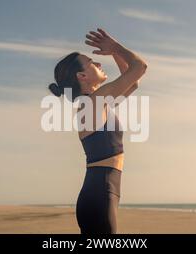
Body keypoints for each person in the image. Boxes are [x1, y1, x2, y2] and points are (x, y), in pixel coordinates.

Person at [48, 28, 147, 234]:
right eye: (92, 62)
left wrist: (115, 53)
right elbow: (140, 67)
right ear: (82, 75)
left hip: (102, 192)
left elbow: (134, 83)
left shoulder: (96, 104)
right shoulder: (94, 103)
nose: (99, 64)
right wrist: (116, 47)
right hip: (100, 193)